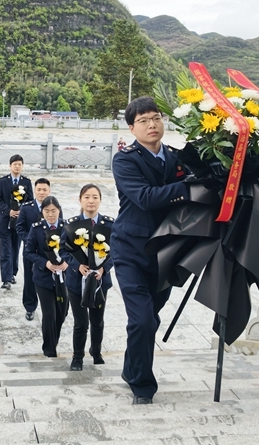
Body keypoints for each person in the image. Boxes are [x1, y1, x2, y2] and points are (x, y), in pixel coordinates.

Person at [111, 96, 190, 405]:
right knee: (142, 320)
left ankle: (130, 369)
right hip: (131, 251)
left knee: (148, 320)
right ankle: (143, 386)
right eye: (143, 121)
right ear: (132, 128)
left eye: (156, 118)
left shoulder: (176, 158)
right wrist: (188, 188)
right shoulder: (125, 160)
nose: (151, 124)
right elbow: (145, 198)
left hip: (166, 253)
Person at [61, 184, 114, 371]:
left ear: (100, 200)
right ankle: (77, 357)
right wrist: (77, 265)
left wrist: (104, 268)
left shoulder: (109, 224)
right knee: (81, 322)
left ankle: (96, 351)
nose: (91, 201)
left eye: (95, 197)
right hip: (77, 282)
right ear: (80, 200)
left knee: (97, 320)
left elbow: (117, 250)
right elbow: (62, 250)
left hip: (100, 282)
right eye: (87, 197)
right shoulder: (71, 224)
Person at [24, 196, 68, 358]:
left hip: (63, 278)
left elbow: (75, 250)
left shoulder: (66, 227)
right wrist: (45, 263)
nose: (50, 214)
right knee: (49, 314)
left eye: (53, 211)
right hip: (43, 278)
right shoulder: (36, 228)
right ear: (42, 212)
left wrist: (67, 263)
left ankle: (53, 341)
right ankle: (49, 350)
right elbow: (28, 252)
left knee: (62, 313)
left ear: (59, 210)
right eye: (47, 211)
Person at [16, 178, 59, 321]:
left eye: (44, 190)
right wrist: (30, 241)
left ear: (49, 191)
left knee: (51, 277)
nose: (41, 192)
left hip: (50, 252)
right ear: (34, 191)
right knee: (29, 279)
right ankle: (30, 307)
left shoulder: (55, 208)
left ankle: (53, 305)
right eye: (39, 189)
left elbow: (60, 228)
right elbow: (20, 227)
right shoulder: (26, 208)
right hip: (31, 251)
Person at [0, 154, 33, 289]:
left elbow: (30, 200)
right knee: (6, 249)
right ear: (10, 166)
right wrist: (8, 211)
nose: (17, 167)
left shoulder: (26, 182)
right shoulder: (3, 181)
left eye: (19, 164)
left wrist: (22, 211)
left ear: (22, 166)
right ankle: (6, 279)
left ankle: (12, 273)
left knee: (16, 248)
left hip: (20, 222)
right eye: (15, 164)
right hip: (5, 221)